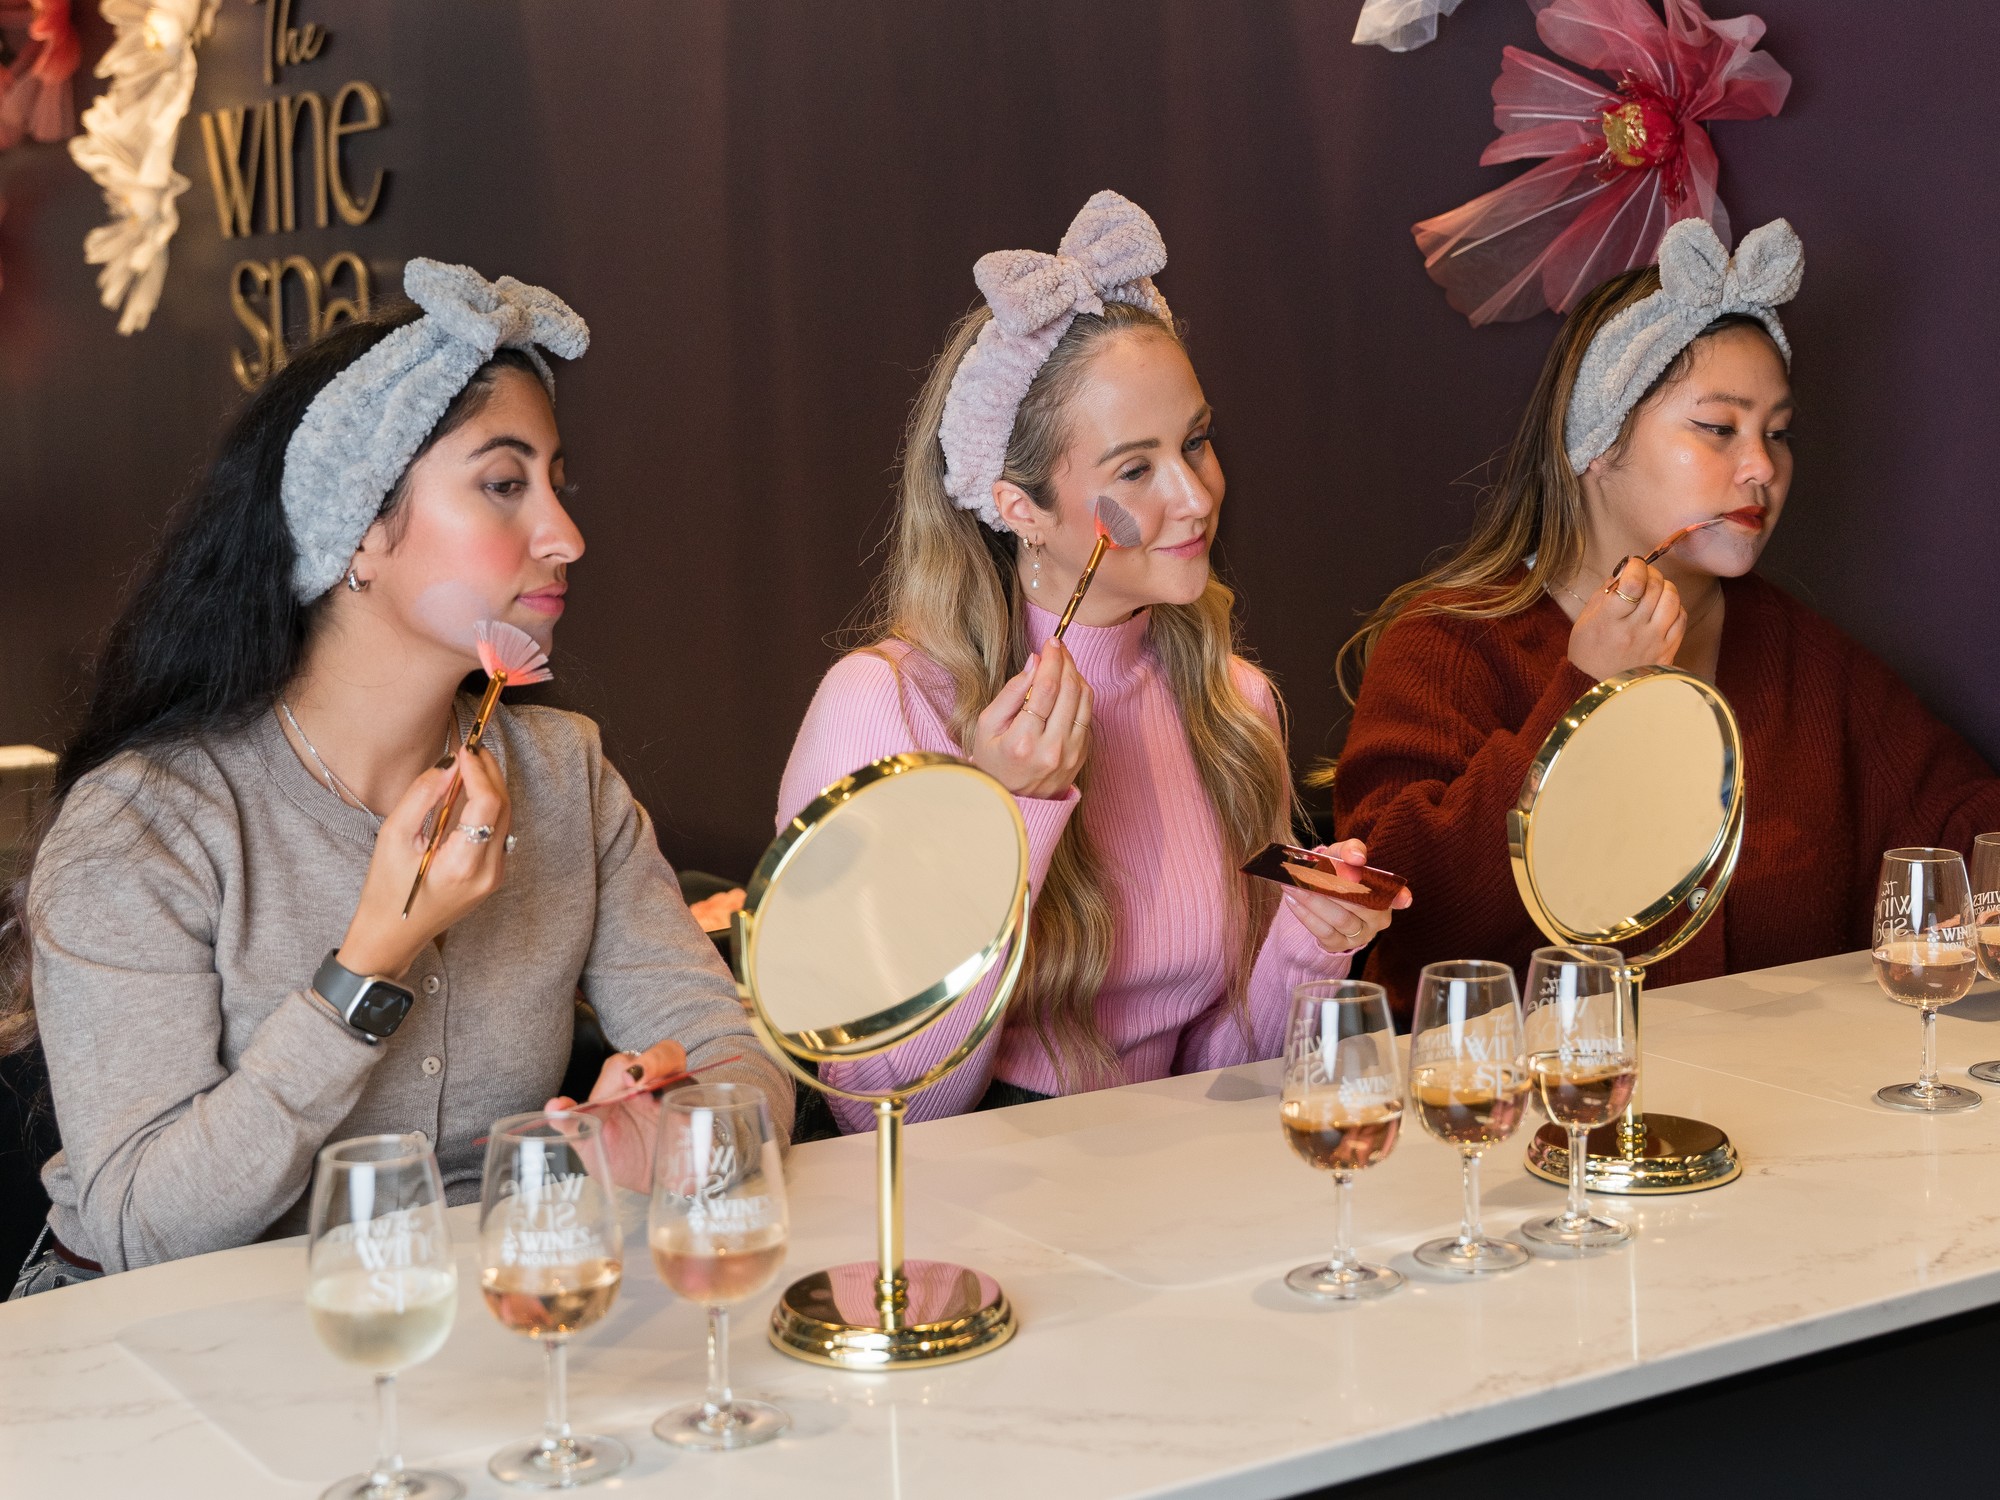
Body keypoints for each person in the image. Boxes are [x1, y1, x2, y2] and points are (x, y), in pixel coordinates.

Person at [7, 260, 788, 1295]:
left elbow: (740, 1073)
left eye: (556, 484)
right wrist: (371, 962)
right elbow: (146, 1232)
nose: (565, 537)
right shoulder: (145, 828)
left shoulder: (561, 776)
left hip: (459, 1312)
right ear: (358, 529)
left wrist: (669, 1129)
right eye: (504, 485)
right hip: (162, 1358)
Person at [778, 191, 1409, 1132]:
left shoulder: (1232, 703)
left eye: (1196, 441)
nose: (1196, 497)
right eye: (1134, 469)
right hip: (976, 1224)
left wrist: (1307, 947)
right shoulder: (884, 705)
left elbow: (1221, 1075)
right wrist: (1007, 818)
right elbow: (887, 1110)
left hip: (1174, 1200)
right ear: (1019, 506)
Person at [1334, 218, 2000, 1013]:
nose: (1762, 469)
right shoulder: (1449, 646)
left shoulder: (1805, 658)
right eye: (1718, 428)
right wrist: (1586, 698)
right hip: (1531, 1122)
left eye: (1778, 434)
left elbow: (1965, 830)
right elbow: (1412, 913)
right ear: (1597, 440)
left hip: (1775, 1120)